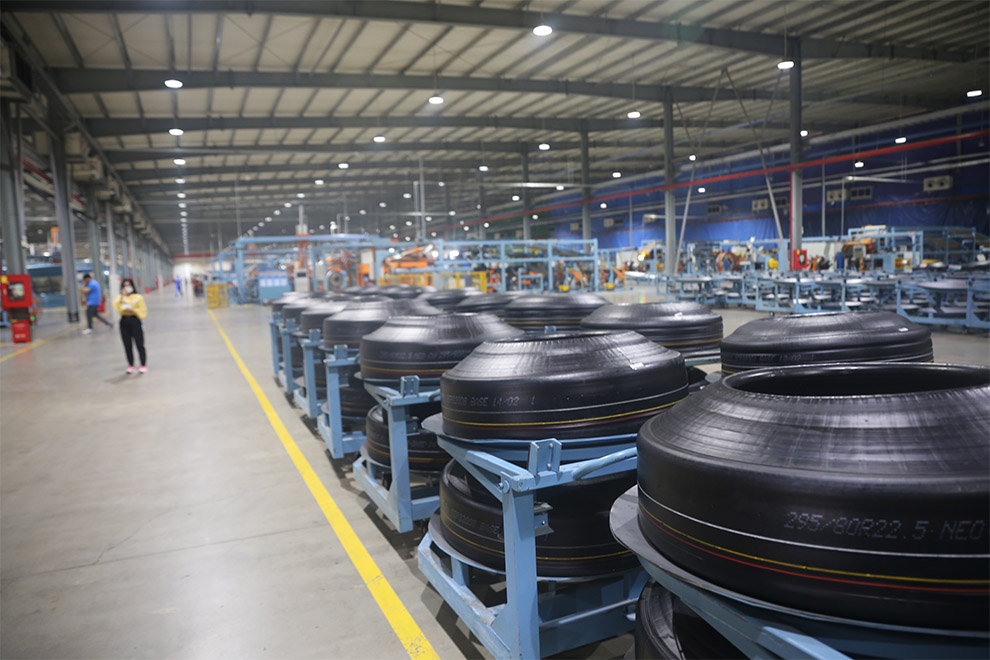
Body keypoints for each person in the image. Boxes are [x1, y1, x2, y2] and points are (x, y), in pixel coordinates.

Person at [114, 277, 148, 374]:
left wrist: (134, 310)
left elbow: (143, 311)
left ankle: (143, 364)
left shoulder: (138, 297)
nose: (127, 288)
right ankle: (131, 365)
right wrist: (122, 296)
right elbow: (117, 306)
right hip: (124, 321)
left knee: (139, 344)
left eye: (128, 285)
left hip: (135, 321)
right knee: (127, 345)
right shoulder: (120, 297)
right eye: (125, 286)